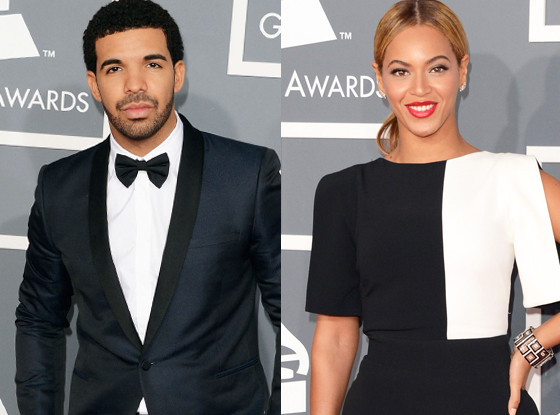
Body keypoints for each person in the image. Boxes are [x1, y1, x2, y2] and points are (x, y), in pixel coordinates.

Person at [14, 1, 280, 414]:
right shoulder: (59, 186)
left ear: (177, 74)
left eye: (152, 64)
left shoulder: (246, 174)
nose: (134, 84)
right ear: (94, 84)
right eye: (114, 69)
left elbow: (288, 307)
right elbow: (38, 320)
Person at [305, 1, 560, 414]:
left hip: (490, 403)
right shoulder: (344, 191)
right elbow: (333, 338)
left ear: (463, 71)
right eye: (400, 71)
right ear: (379, 78)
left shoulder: (513, 178)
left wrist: (535, 343)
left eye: (437, 68)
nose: (419, 89)